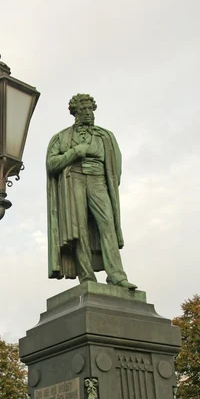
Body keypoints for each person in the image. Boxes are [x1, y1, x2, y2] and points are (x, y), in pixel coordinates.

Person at [46, 93, 136, 289]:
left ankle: (117, 276)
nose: (88, 113)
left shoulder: (105, 136)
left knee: (107, 225)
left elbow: (115, 167)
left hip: (98, 180)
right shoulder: (61, 138)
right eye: (83, 110)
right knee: (79, 229)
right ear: (75, 112)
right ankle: (86, 277)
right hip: (74, 179)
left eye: (90, 109)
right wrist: (75, 152)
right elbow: (51, 164)